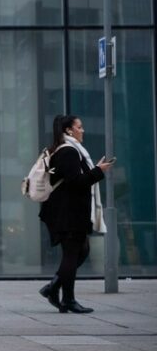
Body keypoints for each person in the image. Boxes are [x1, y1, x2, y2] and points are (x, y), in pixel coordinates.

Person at [38, 115, 113, 314]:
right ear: (69, 130)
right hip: (68, 213)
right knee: (72, 254)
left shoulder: (66, 150)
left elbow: (71, 178)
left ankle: (54, 289)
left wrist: (94, 169)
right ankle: (67, 299)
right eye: (80, 127)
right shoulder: (69, 151)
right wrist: (98, 171)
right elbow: (75, 182)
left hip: (66, 211)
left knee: (81, 251)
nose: (83, 130)